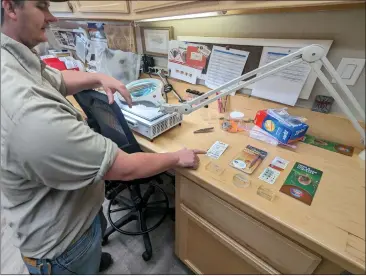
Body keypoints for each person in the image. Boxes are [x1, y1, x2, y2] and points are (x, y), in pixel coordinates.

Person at [0, 0, 206, 274]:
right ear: (10, 8)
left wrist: (98, 78)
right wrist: (176, 157)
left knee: (92, 251)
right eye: (41, 6)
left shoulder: (13, 59)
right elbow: (123, 167)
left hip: (75, 212)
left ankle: (94, 255)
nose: (52, 18)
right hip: (62, 248)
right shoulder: (29, 114)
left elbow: (55, 79)